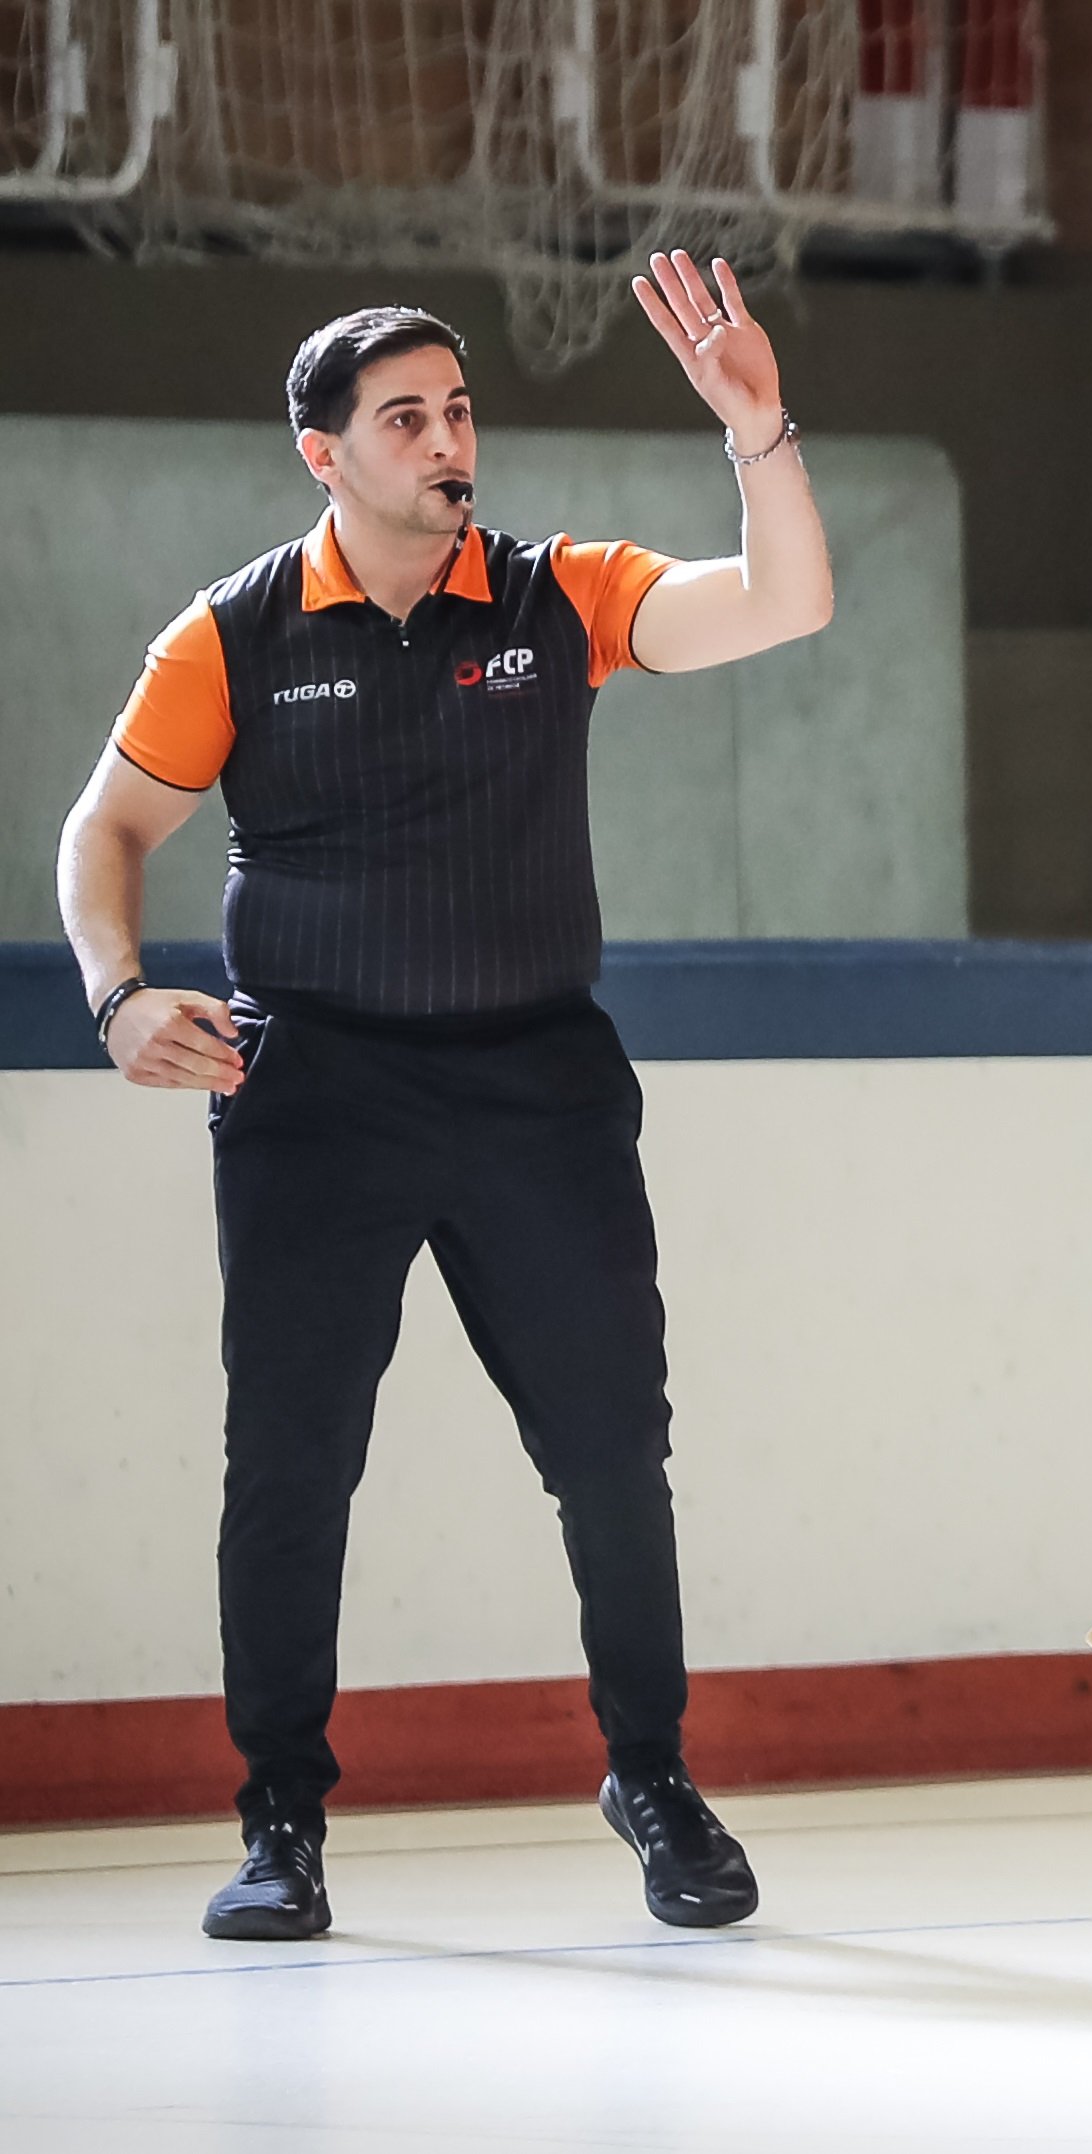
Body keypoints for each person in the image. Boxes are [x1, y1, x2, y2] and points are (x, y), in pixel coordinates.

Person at [53, 256, 834, 1941]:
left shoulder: (563, 596)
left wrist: (759, 433)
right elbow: (102, 831)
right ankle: (281, 1818)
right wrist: (116, 993)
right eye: (404, 418)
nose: (445, 440)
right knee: (291, 1463)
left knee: (614, 1451)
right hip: (315, 1091)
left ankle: (653, 1772)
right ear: (323, 455)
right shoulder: (236, 633)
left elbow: (785, 607)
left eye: (458, 410)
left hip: (537, 1085)